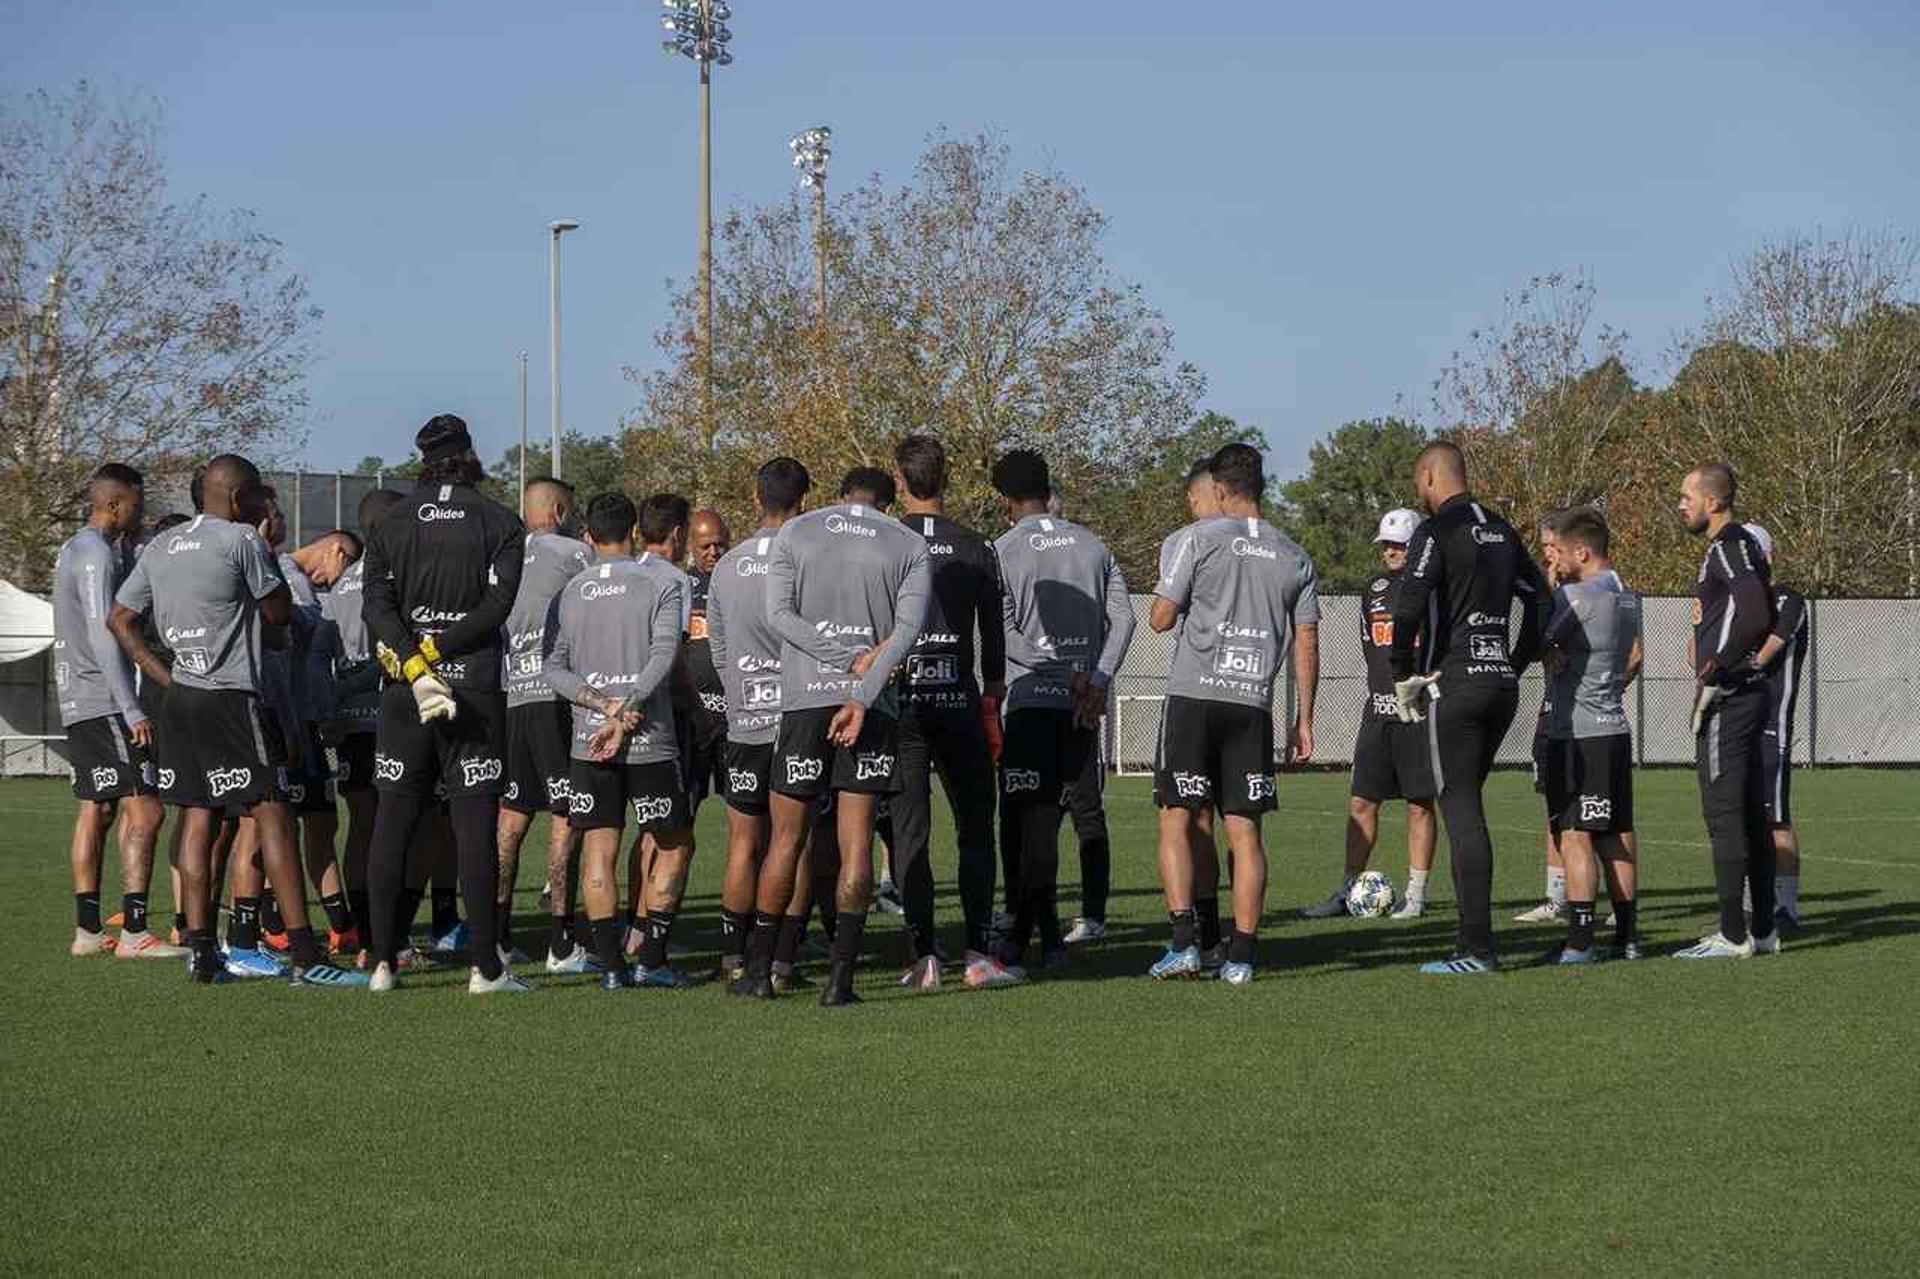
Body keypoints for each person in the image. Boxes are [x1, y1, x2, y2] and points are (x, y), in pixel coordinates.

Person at [107, 453, 363, 987]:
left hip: (181, 698)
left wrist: (164, 676)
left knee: (197, 817)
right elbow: (278, 614)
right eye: (258, 495)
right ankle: (303, 955)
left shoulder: (160, 546)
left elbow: (120, 618)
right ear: (239, 496)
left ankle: (203, 954)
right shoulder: (241, 540)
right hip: (232, 697)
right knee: (273, 815)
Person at [731, 466, 930, 1005]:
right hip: (870, 706)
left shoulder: (798, 531)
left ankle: (761, 971)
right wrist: (862, 679)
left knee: (786, 839)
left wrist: (838, 658)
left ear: (840, 497)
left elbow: (778, 616)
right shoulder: (908, 543)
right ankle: (841, 981)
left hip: (802, 703)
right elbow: (908, 633)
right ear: (889, 503)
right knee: (855, 844)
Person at [359, 415, 528, 994]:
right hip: (474, 688)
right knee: (474, 826)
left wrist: (413, 658)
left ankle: (382, 962)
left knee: (393, 821)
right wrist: (441, 648)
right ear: (470, 456)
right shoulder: (501, 520)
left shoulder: (390, 521)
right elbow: (498, 604)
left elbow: (375, 607)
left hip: (406, 692)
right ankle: (485, 967)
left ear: (422, 461)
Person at [1148, 443, 1317, 983]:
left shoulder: (1197, 539)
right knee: (1244, 832)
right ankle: (1241, 955)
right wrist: (1304, 718)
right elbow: (1307, 640)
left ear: (1218, 490)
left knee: (1177, 816)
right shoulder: (1295, 554)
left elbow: (1159, 617)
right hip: (1252, 702)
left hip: (1196, 696)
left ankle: (1184, 944)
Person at [1388, 440, 1545, 974]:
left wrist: (1401, 674)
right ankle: (1470, 943)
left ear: (1431, 476)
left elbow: (1408, 602)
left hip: (1453, 684)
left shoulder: (1436, 532)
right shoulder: (1503, 529)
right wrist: (1516, 662)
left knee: (1460, 808)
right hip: (1500, 685)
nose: (1418, 492)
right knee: (1466, 802)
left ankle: (1477, 948)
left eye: (1418, 482)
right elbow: (1541, 601)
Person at [988, 449, 1135, 986]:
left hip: (1031, 704)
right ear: (1047, 490)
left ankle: (1040, 936)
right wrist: (1095, 680)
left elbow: (1006, 636)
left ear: (1006, 500)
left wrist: (1065, 673)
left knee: (1033, 825)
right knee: (1084, 814)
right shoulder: (1093, 545)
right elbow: (1124, 618)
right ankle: (1078, 922)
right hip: (1081, 710)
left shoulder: (1002, 549)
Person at [543, 492, 691, 989]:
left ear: (588, 536)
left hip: (590, 741)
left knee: (599, 850)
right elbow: (664, 655)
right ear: (633, 532)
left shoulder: (570, 591)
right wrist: (626, 709)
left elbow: (553, 669)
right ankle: (651, 958)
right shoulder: (660, 582)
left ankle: (610, 967)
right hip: (649, 739)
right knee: (674, 845)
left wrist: (603, 707)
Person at [886, 434, 1004, 989]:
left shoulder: (885, 542)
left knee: (910, 832)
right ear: (947, 479)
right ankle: (979, 953)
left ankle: (923, 956)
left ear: (900, 481)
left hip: (903, 701)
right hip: (958, 698)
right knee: (976, 827)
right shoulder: (976, 544)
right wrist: (994, 695)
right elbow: (993, 633)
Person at [53, 464, 179, 959]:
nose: (140, 513)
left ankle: (88, 932)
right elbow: (107, 632)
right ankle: (135, 934)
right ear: (113, 505)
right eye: (136, 504)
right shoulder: (95, 556)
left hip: (77, 698)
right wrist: (130, 707)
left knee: (96, 807)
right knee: (146, 808)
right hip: (104, 700)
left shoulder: (76, 548)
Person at [1302, 507, 1436, 920]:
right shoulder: (1373, 587)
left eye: (1398, 544)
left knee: (1420, 805)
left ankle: (1415, 895)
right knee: (1361, 802)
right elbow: (1371, 650)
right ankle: (1347, 891)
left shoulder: (1434, 589)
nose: (1390, 551)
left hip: (1419, 711)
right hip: (1377, 710)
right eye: (1386, 545)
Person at [708, 459, 813, 986]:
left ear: (756, 501)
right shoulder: (808, 559)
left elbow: (720, 650)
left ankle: (733, 955)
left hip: (745, 719)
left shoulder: (728, 565)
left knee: (744, 843)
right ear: (806, 504)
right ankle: (783, 958)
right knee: (795, 843)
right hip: (797, 719)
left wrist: (742, 697)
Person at [1674, 462, 1780, 959]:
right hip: (1747, 693)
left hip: (1732, 698)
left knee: (1724, 814)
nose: (1681, 504)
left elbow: (1759, 614)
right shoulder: (1731, 547)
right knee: (1751, 816)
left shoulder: (1730, 544)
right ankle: (1762, 930)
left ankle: (1733, 935)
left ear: (1713, 501)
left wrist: (1717, 670)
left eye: (1686, 496)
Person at [496, 477, 593, 971]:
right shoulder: (573, 553)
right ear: (558, 511)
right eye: (571, 510)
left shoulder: (504, 558)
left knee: (512, 817)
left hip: (514, 696)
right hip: (556, 697)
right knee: (566, 814)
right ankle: (561, 942)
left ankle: (497, 935)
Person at [1538, 508, 1643, 962]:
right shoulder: (1627, 595)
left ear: (1582, 551)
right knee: (1616, 834)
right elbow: (1634, 657)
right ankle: (1628, 937)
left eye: (1559, 552)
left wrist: (1549, 649)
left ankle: (1580, 942)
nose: (1555, 561)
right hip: (1615, 728)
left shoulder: (1577, 596)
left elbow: (1537, 639)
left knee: (1576, 834)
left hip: (1578, 734)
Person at [267, 528, 363, 955]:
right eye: (343, 568)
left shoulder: (302, 582)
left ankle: (341, 923)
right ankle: (270, 924)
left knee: (322, 822)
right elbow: (301, 625)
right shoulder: (285, 571)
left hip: (308, 720)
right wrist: (333, 611)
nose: (333, 581)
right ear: (337, 550)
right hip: (287, 717)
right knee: (275, 825)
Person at [323, 487, 405, 964]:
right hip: (393, 720)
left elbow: (323, 657)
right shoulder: (394, 578)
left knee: (361, 828)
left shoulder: (341, 585)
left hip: (352, 726)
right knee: (394, 829)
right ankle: (385, 938)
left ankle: (365, 937)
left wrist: (333, 705)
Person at [625, 492, 696, 959]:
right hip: (661, 722)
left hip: (609, 718)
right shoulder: (675, 580)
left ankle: (630, 927)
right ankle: (652, 942)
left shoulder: (621, 573)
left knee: (636, 829)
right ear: (677, 534)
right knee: (672, 832)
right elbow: (677, 656)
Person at [1744, 523, 1808, 929]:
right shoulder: (1733, 600)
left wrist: (1731, 664)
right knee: (1740, 821)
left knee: (1776, 819)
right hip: (1735, 728)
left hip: (1771, 728)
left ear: (1766, 557)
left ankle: (1786, 908)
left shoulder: (1788, 598)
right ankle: (1752, 907)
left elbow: (1767, 650)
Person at [685, 507, 733, 817]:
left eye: (720, 544)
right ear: (690, 545)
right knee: (678, 820)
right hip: (693, 720)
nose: (713, 552)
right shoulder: (679, 587)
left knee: (748, 816)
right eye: (705, 546)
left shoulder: (741, 581)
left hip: (736, 718)